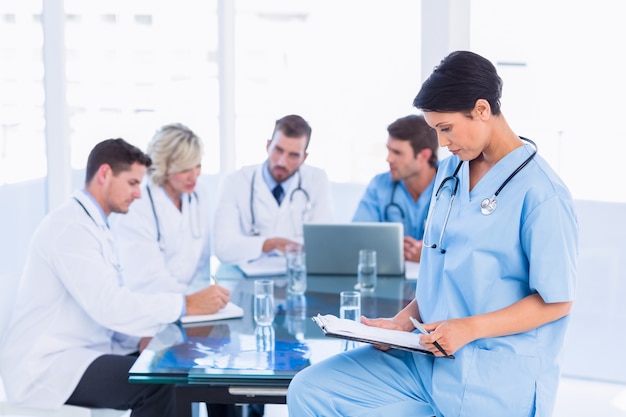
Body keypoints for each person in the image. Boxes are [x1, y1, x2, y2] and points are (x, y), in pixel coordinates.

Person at [287, 50, 579, 417]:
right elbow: (443, 270)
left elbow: (557, 301)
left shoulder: (542, 193)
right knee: (311, 390)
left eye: (446, 128)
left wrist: (468, 329)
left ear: (482, 109)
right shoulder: (452, 172)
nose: (442, 143)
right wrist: (400, 322)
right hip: (426, 355)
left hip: (493, 376)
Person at [0, 139, 230, 416]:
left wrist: (138, 339)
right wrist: (185, 304)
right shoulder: (69, 228)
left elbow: (102, 309)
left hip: (85, 350)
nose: (138, 194)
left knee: (178, 365)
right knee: (160, 383)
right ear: (104, 174)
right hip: (48, 366)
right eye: (132, 183)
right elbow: (108, 305)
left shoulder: (98, 226)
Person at [213, 114, 334, 265]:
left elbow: (322, 243)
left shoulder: (317, 180)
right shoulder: (235, 181)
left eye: (293, 155)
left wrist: (253, 245)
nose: (282, 162)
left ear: (304, 158)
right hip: (246, 280)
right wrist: (272, 243)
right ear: (268, 145)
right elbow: (224, 248)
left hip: (297, 277)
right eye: (278, 150)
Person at [352, 114, 438, 262]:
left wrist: (430, 254)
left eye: (397, 153)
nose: (389, 159)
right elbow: (357, 239)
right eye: (389, 150)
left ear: (424, 155)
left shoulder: (453, 184)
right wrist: (392, 248)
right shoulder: (379, 185)